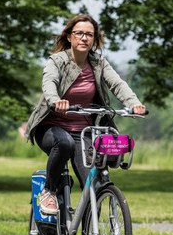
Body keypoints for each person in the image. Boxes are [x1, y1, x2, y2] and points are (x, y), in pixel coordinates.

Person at [25, 14, 146, 217]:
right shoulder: (57, 61)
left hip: (84, 132)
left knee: (94, 187)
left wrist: (134, 103)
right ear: (70, 37)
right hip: (51, 128)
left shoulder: (98, 63)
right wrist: (56, 101)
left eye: (89, 34)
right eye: (79, 33)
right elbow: (49, 84)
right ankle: (48, 191)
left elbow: (117, 84)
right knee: (64, 144)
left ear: (95, 39)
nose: (84, 38)